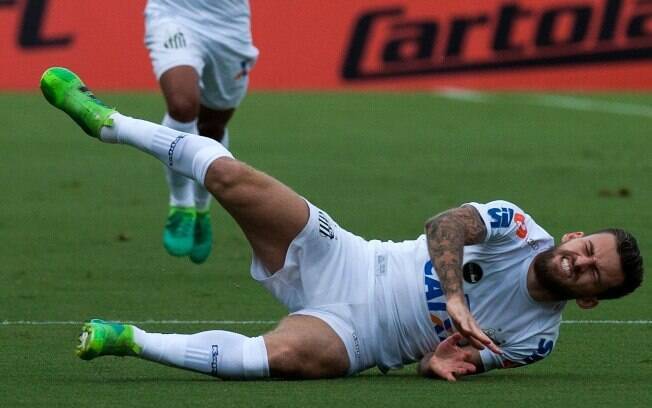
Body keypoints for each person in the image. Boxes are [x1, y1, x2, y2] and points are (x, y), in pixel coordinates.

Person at [40, 67, 644, 381]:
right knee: (234, 178)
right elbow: (444, 226)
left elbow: (457, 359)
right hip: (350, 258)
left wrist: (439, 363)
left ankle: (128, 340)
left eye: (594, 275)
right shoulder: (516, 228)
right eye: (588, 248)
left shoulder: (537, 341)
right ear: (573, 236)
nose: (581, 263)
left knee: (281, 361)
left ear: (590, 300)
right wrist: (456, 299)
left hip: (360, 339)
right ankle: (106, 119)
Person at [144, 0, 258, 264]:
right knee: (182, 106)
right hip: (174, 12)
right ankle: (181, 204)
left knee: (212, 127)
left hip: (229, 24)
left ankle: (201, 206)